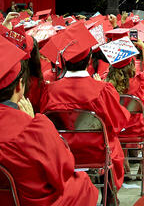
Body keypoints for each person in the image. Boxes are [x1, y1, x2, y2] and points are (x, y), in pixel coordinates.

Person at [0, 37, 98, 206]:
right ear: (19, 86)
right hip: (27, 203)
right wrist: (32, 120)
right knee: (83, 184)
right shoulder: (34, 129)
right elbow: (63, 170)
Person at [40, 24, 130, 197]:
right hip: (96, 152)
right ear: (90, 60)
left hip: (62, 151)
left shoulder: (49, 91)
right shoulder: (102, 90)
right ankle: (109, 194)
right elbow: (118, 122)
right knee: (112, 141)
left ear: (63, 61)